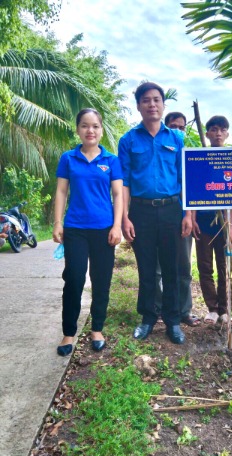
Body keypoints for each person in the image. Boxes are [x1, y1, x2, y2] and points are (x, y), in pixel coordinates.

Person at [119, 82, 192, 344]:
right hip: (141, 212)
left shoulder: (177, 139)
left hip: (172, 209)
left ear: (163, 105)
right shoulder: (128, 140)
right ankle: (148, 318)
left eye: (157, 100)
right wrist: (125, 217)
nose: (152, 104)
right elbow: (125, 182)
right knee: (147, 267)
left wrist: (188, 215)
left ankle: (173, 321)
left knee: (172, 267)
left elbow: (186, 180)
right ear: (138, 105)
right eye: (146, 100)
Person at [53, 108, 123, 356]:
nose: (90, 130)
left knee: (101, 280)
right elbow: (61, 191)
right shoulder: (68, 158)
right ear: (78, 129)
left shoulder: (111, 160)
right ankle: (68, 333)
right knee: (74, 279)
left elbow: (117, 194)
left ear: (101, 130)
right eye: (85, 125)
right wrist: (58, 222)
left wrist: (117, 226)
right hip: (75, 229)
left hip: (104, 230)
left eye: (95, 126)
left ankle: (97, 329)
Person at [154, 111, 200, 327]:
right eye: (173, 126)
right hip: (159, 216)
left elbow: (190, 187)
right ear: (166, 126)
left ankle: (184, 310)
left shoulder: (187, 153)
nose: (178, 130)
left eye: (182, 127)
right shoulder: (161, 147)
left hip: (182, 218)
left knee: (183, 266)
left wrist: (189, 216)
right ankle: (159, 309)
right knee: (156, 269)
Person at [192, 115, 232, 325]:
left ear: (227, 133)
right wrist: (191, 219)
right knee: (205, 266)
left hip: (224, 224)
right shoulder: (199, 159)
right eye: (214, 130)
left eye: (222, 130)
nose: (218, 133)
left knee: (223, 266)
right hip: (203, 221)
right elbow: (191, 193)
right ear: (207, 133)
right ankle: (212, 308)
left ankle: (225, 308)